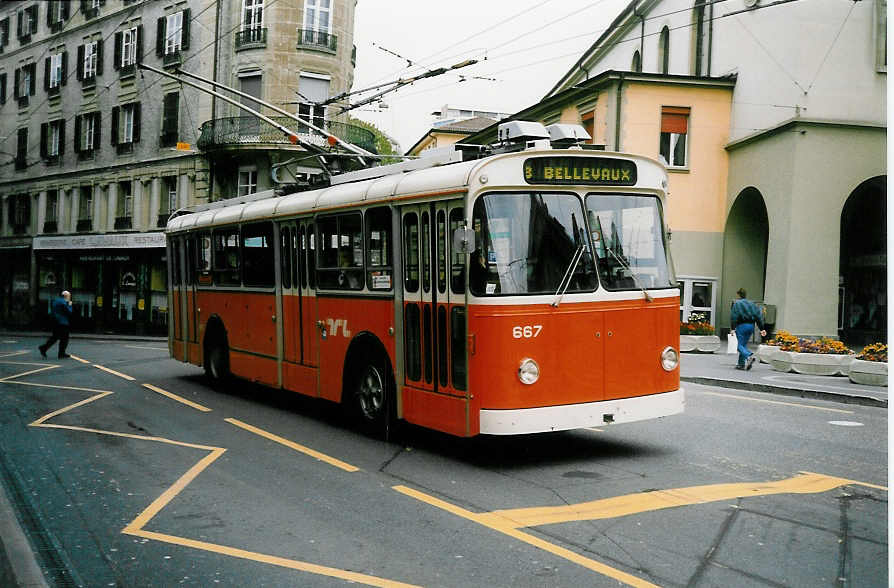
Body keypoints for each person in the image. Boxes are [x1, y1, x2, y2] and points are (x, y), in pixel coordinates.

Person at [730, 287, 766, 370]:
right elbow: (758, 316)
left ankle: (749, 356)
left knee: (737, 345)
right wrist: (762, 329)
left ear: (738, 294)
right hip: (751, 326)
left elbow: (734, 316)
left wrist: (733, 328)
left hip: (741, 326)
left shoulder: (737, 304)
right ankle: (741, 364)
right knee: (743, 344)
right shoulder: (752, 304)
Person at [39, 290, 73, 359]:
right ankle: (61, 353)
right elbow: (68, 312)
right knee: (64, 338)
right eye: (69, 296)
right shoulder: (63, 302)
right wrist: (70, 305)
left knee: (55, 337)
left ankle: (44, 348)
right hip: (62, 322)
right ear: (66, 296)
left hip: (56, 321)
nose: (69, 298)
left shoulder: (56, 301)